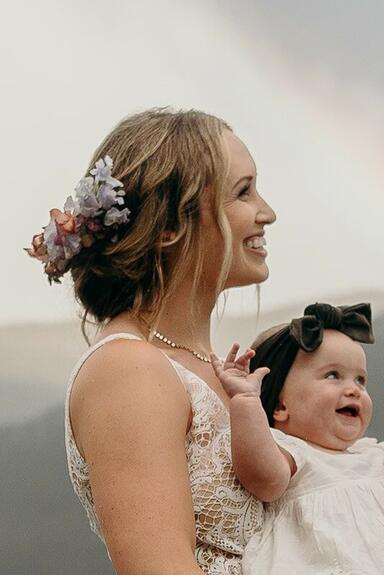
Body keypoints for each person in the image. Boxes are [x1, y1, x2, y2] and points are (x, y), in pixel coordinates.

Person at [26, 108, 276, 574]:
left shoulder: (210, 364)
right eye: (243, 192)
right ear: (168, 227)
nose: (268, 213)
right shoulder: (129, 368)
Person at [211, 302, 384, 575]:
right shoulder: (293, 452)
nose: (353, 390)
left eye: (360, 380)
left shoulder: (371, 455)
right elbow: (263, 479)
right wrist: (246, 401)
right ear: (280, 407)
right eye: (333, 375)